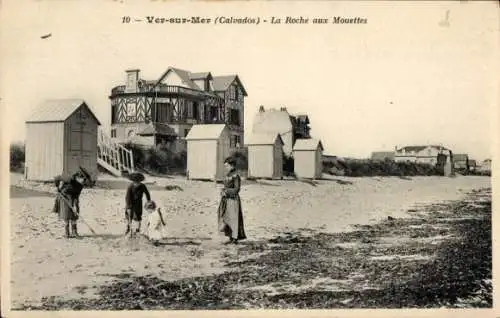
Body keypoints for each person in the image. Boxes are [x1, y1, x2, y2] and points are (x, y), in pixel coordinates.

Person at [217, 157, 247, 244]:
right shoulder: (228, 175)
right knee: (227, 217)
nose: (226, 168)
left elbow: (237, 189)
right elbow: (226, 186)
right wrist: (222, 191)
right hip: (226, 199)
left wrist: (226, 191)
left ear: (232, 165)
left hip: (233, 200)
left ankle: (235, 238)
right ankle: (230, 236)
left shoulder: (236, 175)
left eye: (227, 166)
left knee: (234, 219)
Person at [58, 170, 88, 238]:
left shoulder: (81, 185)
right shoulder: (69, 180)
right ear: (77, 177)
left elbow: (77, 195)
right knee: (66, 214)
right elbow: (59, 179)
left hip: (74, 197)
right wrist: (59, 188)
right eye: (82, 179)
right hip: (64, 197)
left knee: (75, 213)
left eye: (84, 180)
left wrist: (75, 204)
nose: (83, 181)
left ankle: (74, 232)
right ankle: (67, 233)